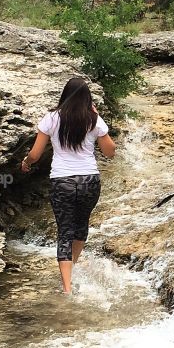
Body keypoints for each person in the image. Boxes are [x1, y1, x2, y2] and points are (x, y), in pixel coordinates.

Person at [20, 77, 116, 294]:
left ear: (64, 95)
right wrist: (98, 119)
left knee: (65, 231)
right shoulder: (94, 120)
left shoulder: (51, 118)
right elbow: (110, 152)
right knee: (81, 225)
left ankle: (66, 288)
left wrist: (26, 162)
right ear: (88, 98)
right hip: (89, 180)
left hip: (62, 180)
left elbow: (35, 154)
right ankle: (72, 265)